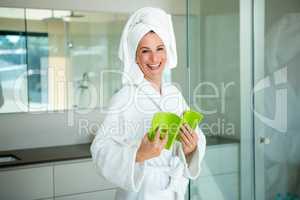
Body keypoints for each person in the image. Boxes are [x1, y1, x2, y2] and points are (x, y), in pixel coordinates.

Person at [91, 7, 206, 200]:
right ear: (135, 56)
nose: (154, 58)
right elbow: (100, 150)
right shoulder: (125, 97)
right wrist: (139, 154)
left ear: (167, 51)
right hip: (142, 191)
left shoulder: (174, 94)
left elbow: (197, 136)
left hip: (173, 189)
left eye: (159, 49)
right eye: (146, 51)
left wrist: (191, 148)